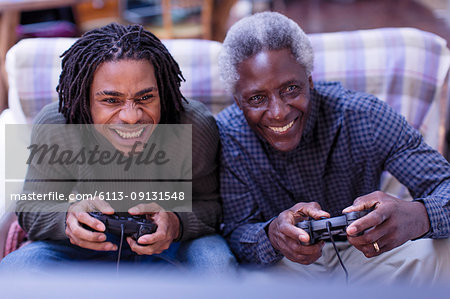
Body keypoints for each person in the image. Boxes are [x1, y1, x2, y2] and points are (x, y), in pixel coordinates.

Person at [216, 12, 449, 284]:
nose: (278, 113)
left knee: (444, 250)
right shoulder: (226, 136)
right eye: (257, 98)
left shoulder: (366, 117)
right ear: (237, 100)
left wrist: (418, 216)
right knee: (244, 279)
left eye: (291, 89)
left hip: (369, 252)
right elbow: (234, 232)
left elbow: (444, 184)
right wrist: (272, 237)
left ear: (310, 81)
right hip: (285, 265)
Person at [1, 23, 235, 273]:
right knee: (18, 268)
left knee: (216, 264)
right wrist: (68, 218)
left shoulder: (194, 125)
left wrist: (175, 223)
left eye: (146, 98)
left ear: (162, 92)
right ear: (85, 99)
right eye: (111, 100)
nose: (132, 117)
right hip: (84, 246)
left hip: (171, 245)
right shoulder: (57, 125)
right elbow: (31, 209)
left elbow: (214, 206)